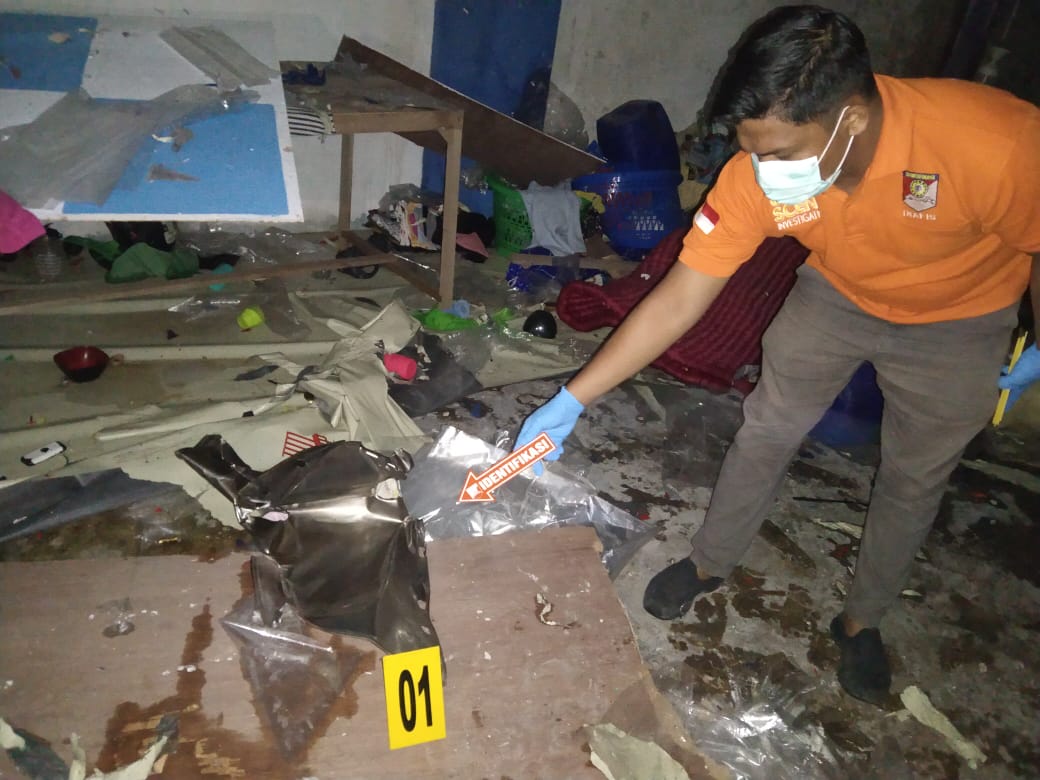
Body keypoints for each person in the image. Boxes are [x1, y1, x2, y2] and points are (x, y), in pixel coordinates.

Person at [513, 4, 1040, 706]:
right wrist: (573, 398)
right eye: (751, 150)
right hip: (837, 294)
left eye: (782, 154)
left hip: (960, 319)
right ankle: (708, 562)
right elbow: (678, 299)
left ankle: (862, 620)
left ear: (852, 119)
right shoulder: (756, 176)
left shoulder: (996, 143)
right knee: (766, 428)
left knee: (914, 478)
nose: (764, 172)